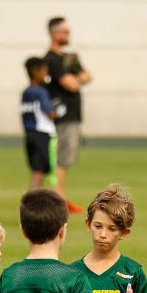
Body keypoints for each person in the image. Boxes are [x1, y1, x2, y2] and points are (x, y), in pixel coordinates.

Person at [43, 16, 93, 213]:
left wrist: (75, 77)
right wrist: (75, 78)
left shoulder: (68, 59)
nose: (68, 35)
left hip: (73, 115)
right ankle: (58, 199)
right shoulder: (52, 60)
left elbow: (88, 76)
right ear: (54, 34)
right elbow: (71, 84)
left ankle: (60, 196)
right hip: (63, 117)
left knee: (66, 159)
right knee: (61, 160)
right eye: (65, 31)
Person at [21, 57, 58, 191]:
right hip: (42, 135)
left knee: (36, 169)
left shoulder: (25, 92)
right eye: (44, 71)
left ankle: (33, 198)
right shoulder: (41, 92)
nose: (46, 75)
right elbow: (51, 113)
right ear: (36, 72)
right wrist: (58, 109)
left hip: (29, 134)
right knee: (40, 170)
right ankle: (32, 202)